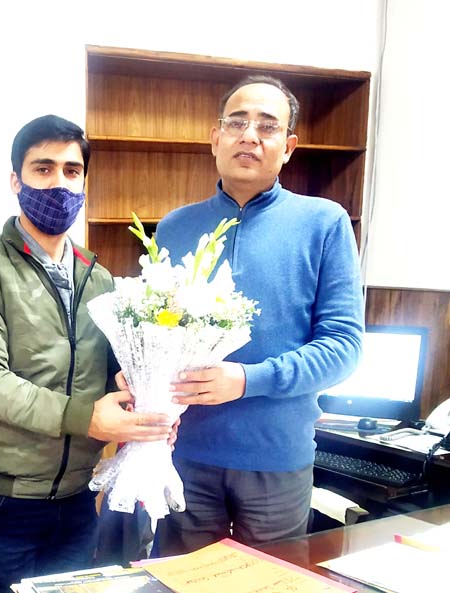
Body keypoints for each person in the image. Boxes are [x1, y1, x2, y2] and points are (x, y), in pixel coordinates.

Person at [0, 114, 172, 593]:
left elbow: (114, 370)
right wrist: (83, 417)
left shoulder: (101, 278)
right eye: (43, 169)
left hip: (77, 500)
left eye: (71, 171)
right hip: (3, 502)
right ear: (15, 180)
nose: (59, 184)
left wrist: (150, 404)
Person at [154, 75, 364, 555]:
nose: (249, 135)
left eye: (267, 126)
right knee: (179, 583)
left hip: (277, 459)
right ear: (216, 138)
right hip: (185, 454)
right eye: (237, 122)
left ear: (288, 147)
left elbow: (344, 348)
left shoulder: (325, 223)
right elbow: (153, 336)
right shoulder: (174, 227)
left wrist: (248, 379)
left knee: (270, 582)